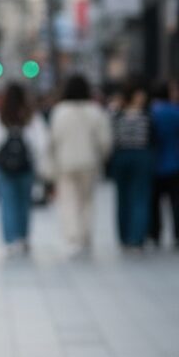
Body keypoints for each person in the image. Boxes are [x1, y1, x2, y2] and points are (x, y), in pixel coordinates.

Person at [0, 81, 50, 256]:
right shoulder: (31, 116)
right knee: (24, 202)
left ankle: (10, 239)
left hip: (3, 167)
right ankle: (23, 237)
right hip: (26, 166)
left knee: (7, 202)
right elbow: (43, 142)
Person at [47, 73, 112, 258]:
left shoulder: (60, 111)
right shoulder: (95, 111)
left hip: (65, 163)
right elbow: (105, 140)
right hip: (89, 162)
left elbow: (52, 140)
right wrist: (102, 157)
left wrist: (50, 165)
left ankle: (72, 237)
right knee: (87, 201)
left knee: (68, 201)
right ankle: (85, 237)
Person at [109, 77, 156, 251]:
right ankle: (135, 237)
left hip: (123, 156)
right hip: (139, 156)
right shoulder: (147, 115)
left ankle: (129, 236)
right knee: (137, 197)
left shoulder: (116, 114)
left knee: (127, 197)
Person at [148, 81, 179, 248]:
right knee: (176, 202)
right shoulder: (176, 111)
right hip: (175, 162)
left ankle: (155, 233)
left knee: (155, 203)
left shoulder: (151, 112)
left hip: (154, 163)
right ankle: (177, 234)